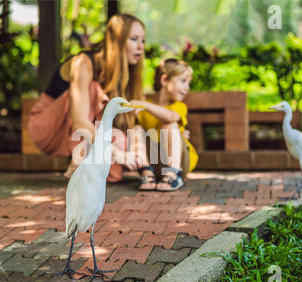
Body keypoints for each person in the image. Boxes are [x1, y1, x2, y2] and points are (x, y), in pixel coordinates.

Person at [27, 14, 146, 182]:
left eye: (143, 41)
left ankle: (82, 163)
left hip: (81, 130)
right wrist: (116, 153)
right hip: (47, 126)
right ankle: (79, 157)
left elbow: (131, 122)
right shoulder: (83, 63)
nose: (140, 47)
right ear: (116, 41)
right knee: (94, 89)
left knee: (117, 142)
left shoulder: (126, 74)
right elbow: (80, 123)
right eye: (134, 39)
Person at [130, 58, 199, 191]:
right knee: (136, 128)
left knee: (170, 124)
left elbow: (171, 117)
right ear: (164, 80)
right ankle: (146, 172)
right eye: (183, 81)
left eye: (188, 83)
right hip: (155, 163)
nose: (187, 88)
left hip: (180, 163)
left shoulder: (179, 106)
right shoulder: (145, 108)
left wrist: (144, 104)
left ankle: (173, 173)